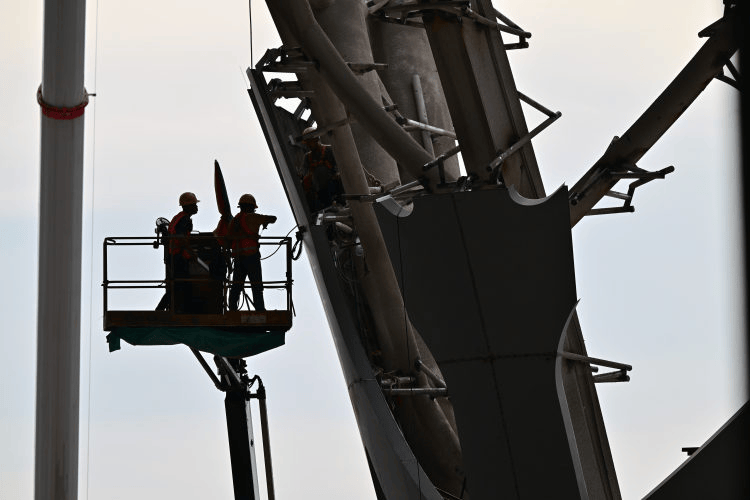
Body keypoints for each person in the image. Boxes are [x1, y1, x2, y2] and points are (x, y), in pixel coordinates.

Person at [227, 194, 277, 311]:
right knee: (256, 285)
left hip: (239, 258)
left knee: (237, 286)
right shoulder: (253, 217)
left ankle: (232, 310)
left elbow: (229, 238)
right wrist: (264, 222)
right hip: (251, 257)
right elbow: (273, 218)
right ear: (251, 207)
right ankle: (260, 309)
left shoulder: (235, 220)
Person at [156, 192, 199, 312]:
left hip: (174, 255)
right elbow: (181, 238)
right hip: (178, 257)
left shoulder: (179, 217)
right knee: (181, 285)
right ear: (188, 206)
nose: (196, 207)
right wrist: (191, 252)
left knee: (180, 285)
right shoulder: (184, 219)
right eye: (194, 204)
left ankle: (168, 310)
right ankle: (161, 310)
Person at [300, 127, 343, 211]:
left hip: (334, 186)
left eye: (310, 142)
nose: (308, 145)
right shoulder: (307, 157)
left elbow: (340, 166)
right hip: (320, 190)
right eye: (307, 143)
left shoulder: (329, 150)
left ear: (316, 139)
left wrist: (338, 173)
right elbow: (303, 171)